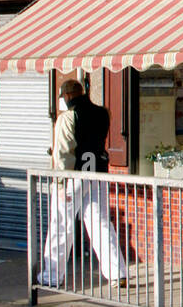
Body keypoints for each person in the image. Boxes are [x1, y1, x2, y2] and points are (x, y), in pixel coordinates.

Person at [38, 79, 127, 288]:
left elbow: (63, 153)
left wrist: (60, 184)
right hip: (98, 175)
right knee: (101, 223)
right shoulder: (103, 113)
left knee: (61, 225)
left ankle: (51, 276)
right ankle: (117, 273)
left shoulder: (68, 118)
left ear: (67, 96)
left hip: (74, 176)